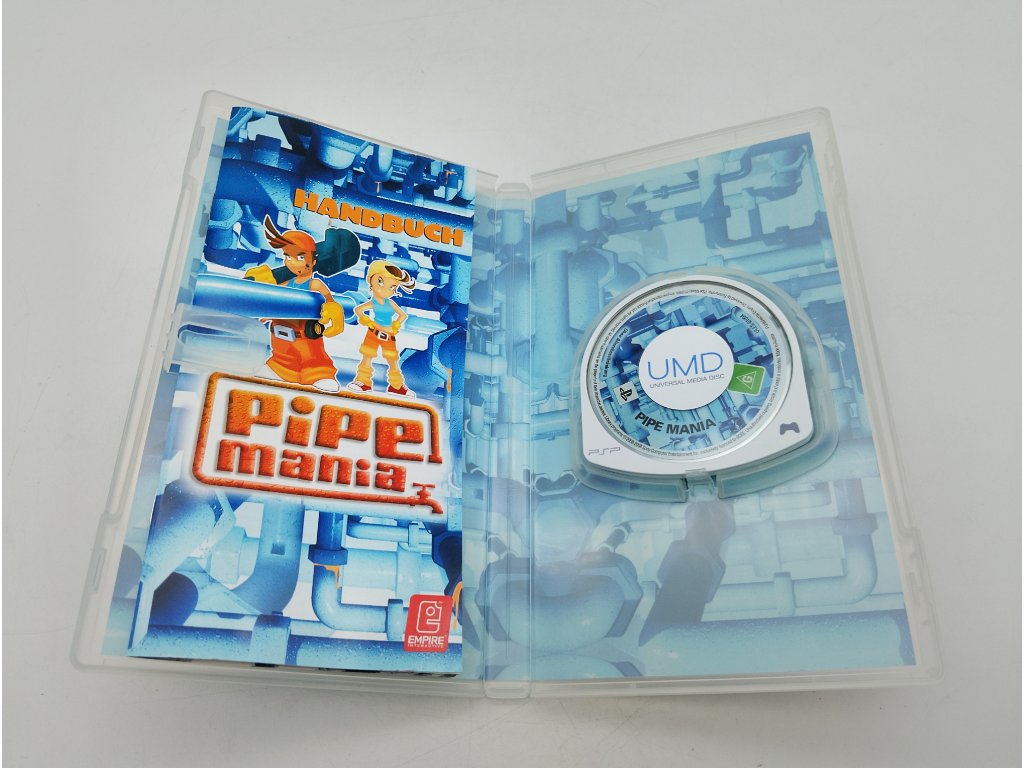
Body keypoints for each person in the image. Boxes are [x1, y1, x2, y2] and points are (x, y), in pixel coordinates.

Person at [245, 216, 358, 392]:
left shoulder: (314, 284)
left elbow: (328, 299)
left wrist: (332, 307)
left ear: (313, 261)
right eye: (287, 256)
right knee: (280, 358)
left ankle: (319, 375)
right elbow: (274, 299)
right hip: (280, 343)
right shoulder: (285, 283)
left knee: (311, 356)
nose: (292, 261)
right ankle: (279, 371)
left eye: (299, 256)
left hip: (304, 336)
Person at [348, 259, 416, 397]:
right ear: (371, 282)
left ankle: (396, 386)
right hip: (373, 332)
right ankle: (363, 382)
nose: (385, 289)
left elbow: (402, 315)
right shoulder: (373, 302)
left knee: (393, 360)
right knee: (367, 356)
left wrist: (395, 326)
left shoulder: (390, 303)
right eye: (380, 281)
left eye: (392, 287)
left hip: (388, 334)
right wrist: (366, 320)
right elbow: (358, 310)